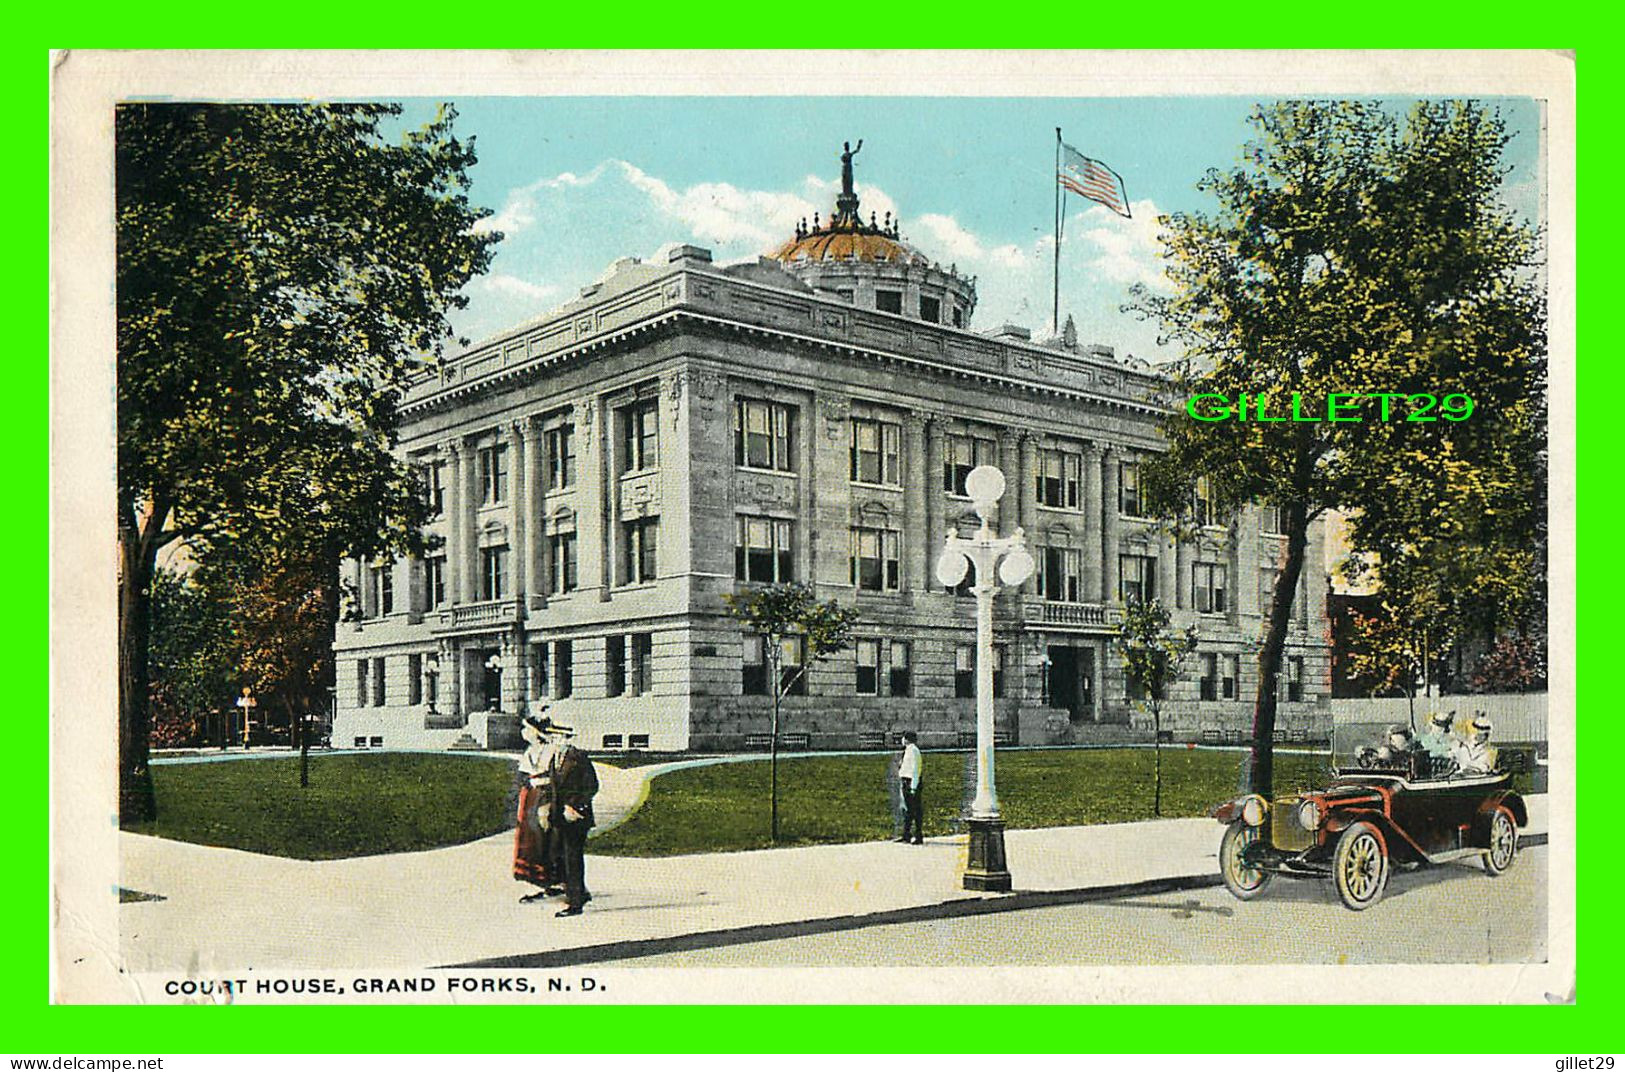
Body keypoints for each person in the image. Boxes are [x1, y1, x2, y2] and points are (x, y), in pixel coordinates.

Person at [544, 721, 599, 917]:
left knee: (573, 858)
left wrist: (575, 807)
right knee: (561, 855)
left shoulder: (579, 758)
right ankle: (578, 892)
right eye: (552, 736)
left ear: (568, 739)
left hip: (576, 817)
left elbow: (592, 786)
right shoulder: (555, 758)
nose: (553, 740)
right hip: (560, 816)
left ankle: (575, 904)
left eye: (558, 737)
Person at [513, 713, 559, 903]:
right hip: (530, 795)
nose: (524, 733)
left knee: (544, 836)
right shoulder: (530, 751)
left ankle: (551, 879)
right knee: (529, 836)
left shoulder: (550, 751)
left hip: (545, 795)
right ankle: (535, 878)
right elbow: (524, 774)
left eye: (527, 729)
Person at [896, 731, 923, 845]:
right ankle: (906, 834)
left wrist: (913, 787)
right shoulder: (908, 750)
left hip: (911, 783)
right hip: (906, 782)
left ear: (907, 739)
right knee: (908, 810)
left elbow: (916, 770)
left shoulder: (913, 751)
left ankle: (917, 835)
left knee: (914, 811)